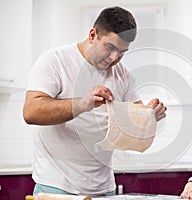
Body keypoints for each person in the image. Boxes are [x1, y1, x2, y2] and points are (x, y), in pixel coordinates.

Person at [23, 6, 167, 197]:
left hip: (104, 189)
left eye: (122, 52)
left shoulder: (122, 76)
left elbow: (135, 119)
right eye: (110, 47)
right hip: (57, 187)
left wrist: (150, 115)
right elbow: (31, 112)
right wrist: (82, 104)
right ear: (93, 35)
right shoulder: (54, 61)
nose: (114, 58)